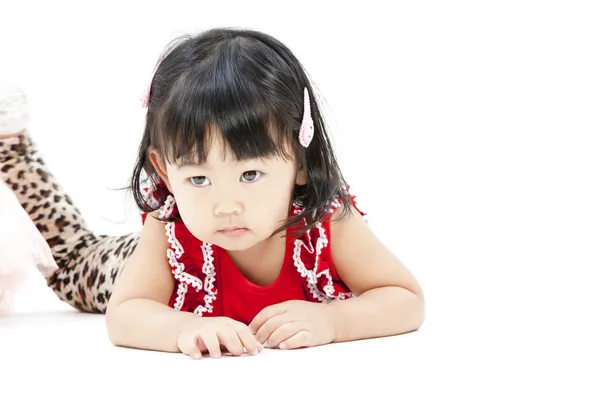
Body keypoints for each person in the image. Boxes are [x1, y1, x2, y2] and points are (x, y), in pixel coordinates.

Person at [0, 28, 425, 359]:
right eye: (199, 180)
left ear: (299, 163)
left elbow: (405, 298)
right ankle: (12, 147)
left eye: (251, 174)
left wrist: (335, 321)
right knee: (70, 263)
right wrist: (183, 329)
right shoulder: (171, 225)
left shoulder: (327, 222)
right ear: (165, 170)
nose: (225, 206)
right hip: (125, 264)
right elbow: (125, 315)